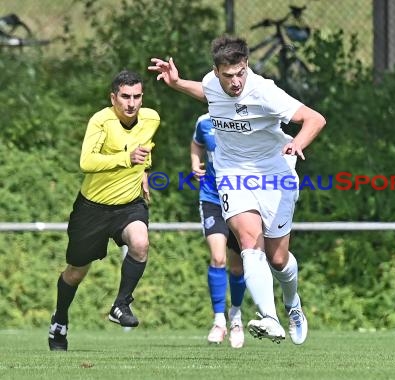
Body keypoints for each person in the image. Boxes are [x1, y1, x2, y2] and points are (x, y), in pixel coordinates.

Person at [148, 35, 326, 345]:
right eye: (228, 75)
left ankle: (292, 304)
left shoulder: (264, 92)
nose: (235, 82)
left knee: (279, 259)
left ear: (247, 66)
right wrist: (176, 83)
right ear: (216, 71)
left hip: (275, 173)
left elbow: (314, 118)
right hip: (232, 173)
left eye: (240, 73)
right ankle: (269, 318)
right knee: (247, 242)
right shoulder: (212, 82)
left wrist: (297, 142)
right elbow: (205, 93)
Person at [48, 70, 160, 351]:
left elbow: (145, 149)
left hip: (129, 205)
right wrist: (126, 158)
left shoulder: (151, 118)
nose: (131, 103)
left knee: (140, 242)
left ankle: (120, 305)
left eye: (136, 96)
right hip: (92, 208)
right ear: (114, 98)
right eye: (125, 97)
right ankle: (59, 321)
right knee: (76, 271)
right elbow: (86, 161)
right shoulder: (101, 120)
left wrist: (145, 170)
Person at [191, 112, 247, 348]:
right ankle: (218, 321)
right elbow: (196, 143)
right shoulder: (204, 121)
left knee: (237, 266)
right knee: (217, 257)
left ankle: (235, 316)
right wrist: (195, 165)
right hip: (212, 198)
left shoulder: (248, 119)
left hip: (242, 199)